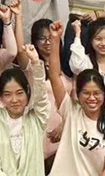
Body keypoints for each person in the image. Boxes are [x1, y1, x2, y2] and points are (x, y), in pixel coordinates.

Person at [46, 20, 105, 176]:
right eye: (86, 93)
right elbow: (55, 76)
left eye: (97, 93)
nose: (92, 98)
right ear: (78, 94)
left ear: (104, 94)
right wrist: (55, 39)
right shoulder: (71, 111)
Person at [0, 44, 50, 176]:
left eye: (19, 93)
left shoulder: (37, 118)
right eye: (7, 94)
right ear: (1, 96)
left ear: (27, 93)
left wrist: (35, 63)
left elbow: (41, 98)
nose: (14, 100)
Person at [15, 19, 72, 170]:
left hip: (64, 132)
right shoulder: (33, 65)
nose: (47, 42)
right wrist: (18, 16)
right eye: (42, 38)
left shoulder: (68, 66)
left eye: (50, 38)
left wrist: (64, 123)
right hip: (39, 131)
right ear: (35, 41)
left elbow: (75, 102)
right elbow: (20, 50)